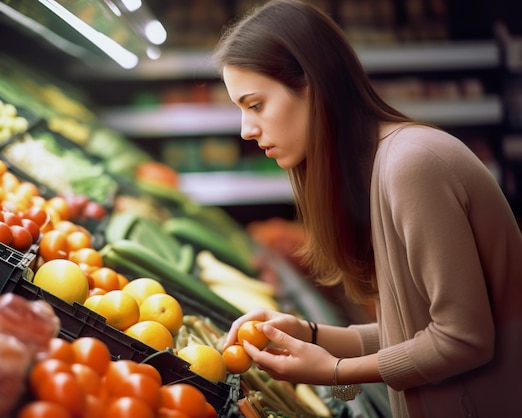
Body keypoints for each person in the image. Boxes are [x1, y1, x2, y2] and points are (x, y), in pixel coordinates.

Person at [213, 0, 522, 417]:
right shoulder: (378, 169)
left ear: (313, 85)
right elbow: (414, 330)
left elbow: (463, 339)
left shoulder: (412, 165)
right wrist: (312, 334)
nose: (246, 130)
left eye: (255, 105)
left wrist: (339, 371)